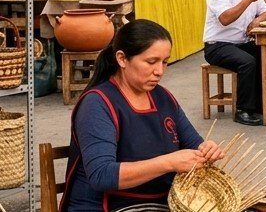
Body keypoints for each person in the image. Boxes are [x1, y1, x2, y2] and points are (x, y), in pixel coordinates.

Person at [62, 20, 225, 211]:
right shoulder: (97, 104)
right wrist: (169, 162)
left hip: (159, 204)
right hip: (106, 207)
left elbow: (193, 144)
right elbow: (102, 175)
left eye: (165, 62)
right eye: (151, 62)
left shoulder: (163, 97)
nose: (159, 71)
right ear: (122, 59)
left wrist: (206, 150)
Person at [203, 0, 266, 126]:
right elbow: (225, 18)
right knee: (248, 62)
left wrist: (256, 21)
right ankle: (243, 110)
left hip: (242, 42)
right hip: (218, 45)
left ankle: (262, 102)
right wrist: (248, 0)